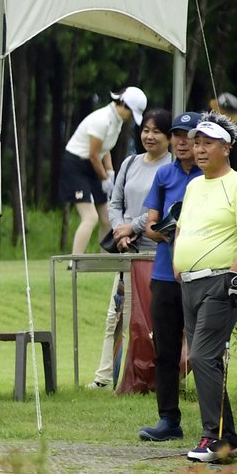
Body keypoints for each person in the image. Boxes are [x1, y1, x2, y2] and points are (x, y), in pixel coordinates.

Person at [172, 112, 237, 462]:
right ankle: (227, 438)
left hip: (219, 281)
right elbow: (182, 227)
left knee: (202, 356)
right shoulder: (194, 185)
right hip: (190, 283)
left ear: (226, 147)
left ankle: (215, 437)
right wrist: (180, 262)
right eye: (197, 143)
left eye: (207, 143)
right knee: (205, 359)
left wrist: (234, 275)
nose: (199, 149)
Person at [87, 108, 172, 389]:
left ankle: (152, 377)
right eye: (146, 130)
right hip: (128, 254)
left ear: (169, 137)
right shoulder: (131, 163)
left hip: (158, 253)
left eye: (156, 131)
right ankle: (105, 377)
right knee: (117, 315)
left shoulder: (171, 167)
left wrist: (131, 227)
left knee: (150, 319)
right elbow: (115, 202)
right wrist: (120, 231)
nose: (149, 136)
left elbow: (161, 209)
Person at [136, 111, 203, 440]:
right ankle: (168, 420)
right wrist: (162, 231)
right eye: (176, 135)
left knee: (203, 351)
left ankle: (212, 422)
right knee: (164, 348)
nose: (180, 141)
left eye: (186, 136)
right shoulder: (164, 175)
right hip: (164, 273)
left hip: (201, 273)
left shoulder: (210, 177)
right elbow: (150, 224)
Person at [59, 86, 147, 257]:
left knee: (107, 218)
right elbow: (93, 155)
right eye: (131, 112)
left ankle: (104, 260)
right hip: (76, 165)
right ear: (124, 105)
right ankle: (75, 261)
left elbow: (104, 148)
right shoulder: (102, 120)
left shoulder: (117, 120)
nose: (130, 118)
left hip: (93, 166)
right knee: (90, 217)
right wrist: (105, 179)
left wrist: (110, 171)